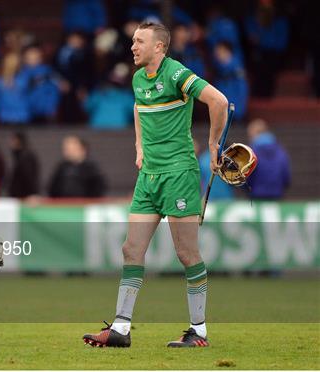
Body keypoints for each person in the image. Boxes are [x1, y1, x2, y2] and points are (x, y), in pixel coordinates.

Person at [83, 22, 229, 348]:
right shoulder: (137, 79)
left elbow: (218, 101)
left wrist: (214, 144)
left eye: (140, 41)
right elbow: (138, 108)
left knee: (187, 252)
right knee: (130, 248)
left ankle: (199, 331)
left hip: (179, 175)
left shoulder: (177, 74)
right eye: (133, 40)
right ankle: (121, 328)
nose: (133, 46)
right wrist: (139, 147)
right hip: (148, 177)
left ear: (160, 47)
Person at [246, 119, 290, 199]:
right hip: (277, 194)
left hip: (256, 194)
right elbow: (286, 175)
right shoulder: (280, 151)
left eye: (250, 135)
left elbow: (248, 174)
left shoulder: (251, 152)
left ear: (255, 134)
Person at [8, 132, 39, 198]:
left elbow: (29, 177)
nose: (11, 143)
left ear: (18, 141)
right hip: (19, 197)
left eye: (13, 140)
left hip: (24, 197)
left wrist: (32, 194)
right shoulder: (19, 156)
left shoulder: (25, 157)